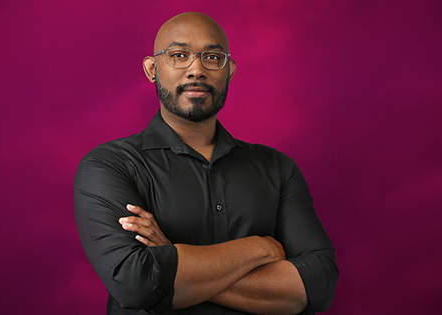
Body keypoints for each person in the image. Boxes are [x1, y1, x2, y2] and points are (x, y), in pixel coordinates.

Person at [74, 12, 338, 315]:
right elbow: (137, 284)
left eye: (212, 57)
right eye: (178, 55)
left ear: (230, 70)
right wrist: (260, 249)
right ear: (151, 69)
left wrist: (172, 257)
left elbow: (319, 285)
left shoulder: (278, 168)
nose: (197, 70)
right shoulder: (109, 166)